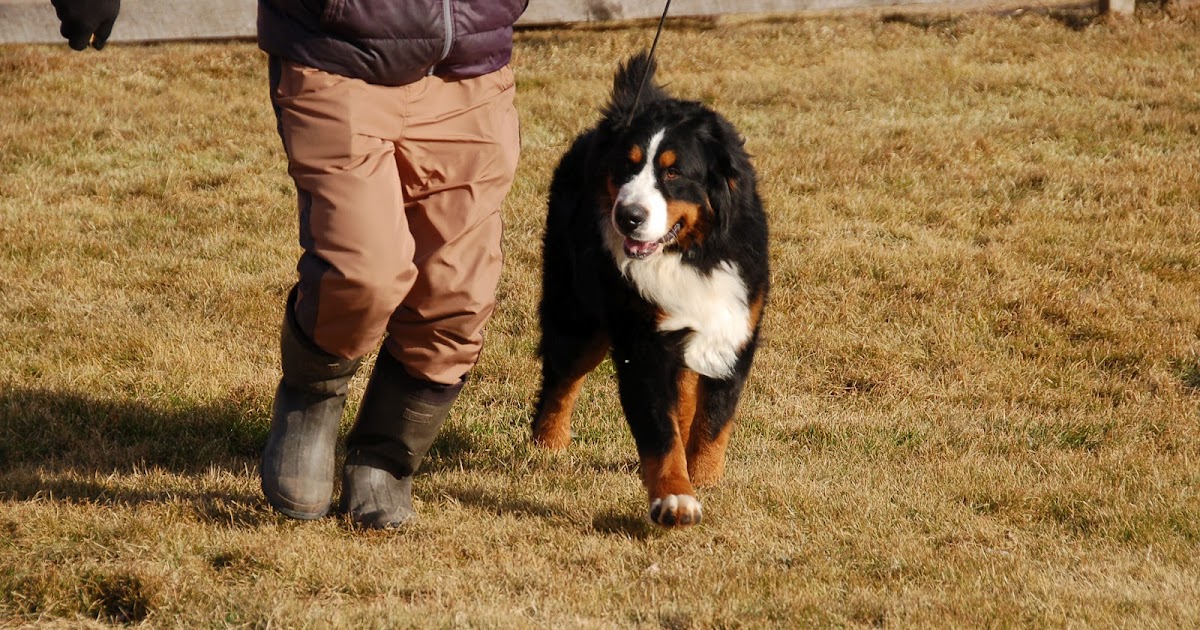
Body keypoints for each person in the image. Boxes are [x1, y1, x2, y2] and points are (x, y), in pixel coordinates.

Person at [52, 0, 528, 530]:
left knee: (458, 297)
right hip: (335, 49)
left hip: (473, 62)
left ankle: (386, 457)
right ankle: (313, 399)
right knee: (363, 271)